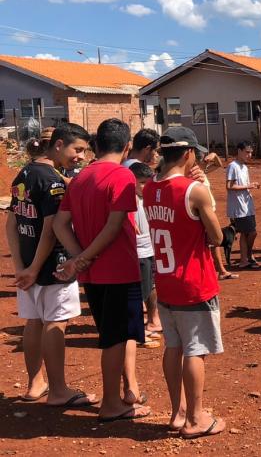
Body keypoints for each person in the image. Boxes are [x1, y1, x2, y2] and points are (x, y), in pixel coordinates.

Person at [52, 118, 150, 422]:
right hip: (119, 269)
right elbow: (114, 225)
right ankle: (111, 404)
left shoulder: (80, 177)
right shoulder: (122, 176)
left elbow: (59, 224)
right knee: (116, 339)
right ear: (128, 146)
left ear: (96, 145)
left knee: (113, 335)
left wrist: (80, 256)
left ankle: (125, 392)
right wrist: (84, 257)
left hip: (93, 274)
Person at [8, 122, 98, 408]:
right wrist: (34, 268)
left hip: (27, 264)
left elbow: (12, 222)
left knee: (33, 321)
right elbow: (51, 229)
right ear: (58, 145)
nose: (81, 156)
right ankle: (58, 389)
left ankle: (36, 383)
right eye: (77, 149)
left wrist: (21, 265)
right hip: (52, 264)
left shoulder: (25, 172)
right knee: (56, 322)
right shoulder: (54, 181)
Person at [144, 126, 226, 439]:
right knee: (196, 350)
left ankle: (178, 411)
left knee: (173, 346)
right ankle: (195, 418)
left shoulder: (150, 188)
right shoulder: (195, 190)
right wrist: (203, 188)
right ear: (189, 153)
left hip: (165, 281)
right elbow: (216, 236)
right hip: (194, 283)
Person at [129, 162, 162, 348]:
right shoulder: (131, 198)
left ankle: (140, 330)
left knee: (147, 289)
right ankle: (137, 334)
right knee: (138, 295)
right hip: (139, 253)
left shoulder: (143, 199)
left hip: (147, 251)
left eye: (147, 183)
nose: (145, 186)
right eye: (141, 182)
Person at [226, 141, 260, 269]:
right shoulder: (232, 166)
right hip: (239, 207)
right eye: (247, 152)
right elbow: (229, 186)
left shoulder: (244, 167)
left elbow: (243, 185)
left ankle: (245, 259)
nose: (249, 155)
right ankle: (246, 257)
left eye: (251, 152)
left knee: (247, 233)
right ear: (239, 151)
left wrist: (251, 185)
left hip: (246, 205)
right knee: (251, 232)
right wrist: (248, 186)